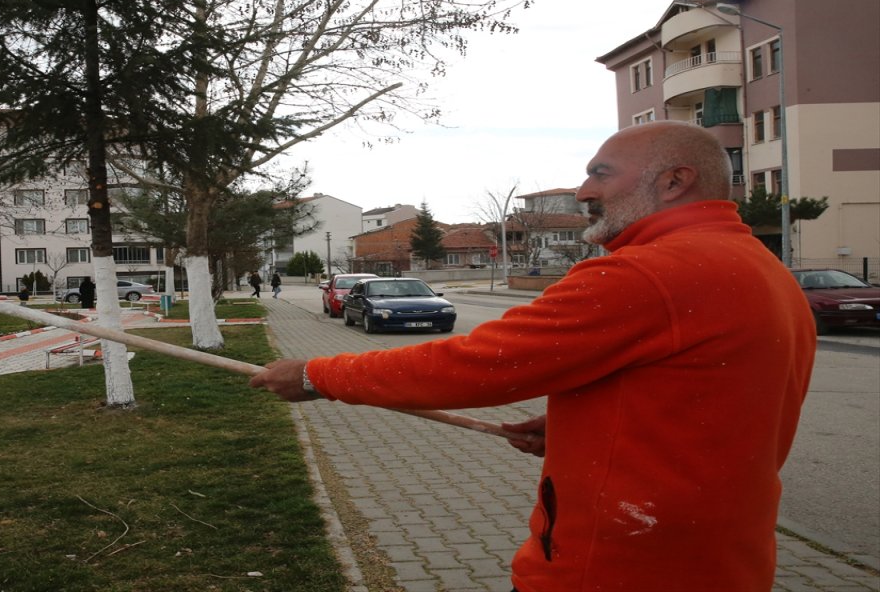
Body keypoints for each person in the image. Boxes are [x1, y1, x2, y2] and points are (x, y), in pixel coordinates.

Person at [250, 121, 815, 591]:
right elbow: (713, 402)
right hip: (722, 562)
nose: (584, 190)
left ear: (674, 181)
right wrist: (582, 425)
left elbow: (479, 365)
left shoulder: (645, 273)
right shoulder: (762, 269)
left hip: (616, 568)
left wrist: (315, 373)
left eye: (600, 173)